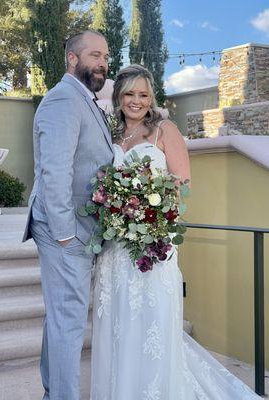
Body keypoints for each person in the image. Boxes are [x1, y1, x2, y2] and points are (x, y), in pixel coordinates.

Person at [90, 64, 261, 400]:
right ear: (118, 96)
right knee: (118, 321)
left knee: (152, 321)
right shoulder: (111, 135)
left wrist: (150, 219)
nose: (136, 101)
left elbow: (182, 188)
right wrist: (114, 208)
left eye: (143, 94)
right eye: (129, 94)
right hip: (115, 248)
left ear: (151, 97)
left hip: (153, 243)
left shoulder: (164, 130)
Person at [22, 30, 114, 400]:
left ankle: (52, 393)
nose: (103, 62)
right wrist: (65, 234)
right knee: (69, 323)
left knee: (61, 320)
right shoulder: (63, 99)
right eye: (94, 55)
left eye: (106, 56)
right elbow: (54, 171)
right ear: (72, 59)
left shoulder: (85, 99)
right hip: (66, 230)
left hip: (78, 228)